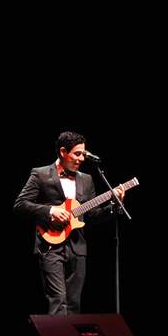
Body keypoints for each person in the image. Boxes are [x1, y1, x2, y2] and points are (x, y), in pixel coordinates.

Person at [13, 131, 125, 315]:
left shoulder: (86, 179)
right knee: (58, 300)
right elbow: (20, 204)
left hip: (77, 247)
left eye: (83, 154)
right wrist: (50, 210)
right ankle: (57, 335)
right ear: (63, 151)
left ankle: (69, 335)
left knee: (74, 303)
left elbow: (92, 215)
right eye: (77, 154)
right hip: (50, 245)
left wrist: (113, 205)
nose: (81, 158)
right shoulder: (41, 174)